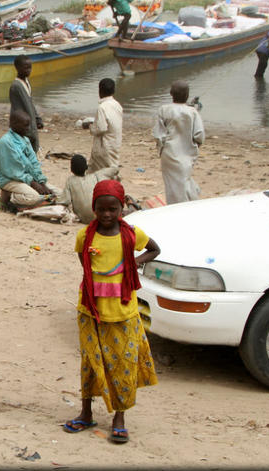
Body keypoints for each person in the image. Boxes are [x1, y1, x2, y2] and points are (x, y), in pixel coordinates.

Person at [63, 179, 160, 443]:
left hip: (123, 313)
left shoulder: (131, 234)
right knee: (90, 364)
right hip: (90, 311)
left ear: (122, 207)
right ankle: (85, 413)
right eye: (101, 209)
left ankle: (119, 418)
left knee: (122, 366)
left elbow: (154, 249)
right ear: (94, 208)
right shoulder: (85, 236)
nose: (107, 214)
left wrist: (132, 262)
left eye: (113, 209)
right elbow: (85, 263)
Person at [0, 110, 61, 211]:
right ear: (14, 124)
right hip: (11, 179)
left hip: (28, 179)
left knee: (60, 194)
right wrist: (34, 184)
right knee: (33, 197)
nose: (28, 129)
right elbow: (15, 172)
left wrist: (41, 182)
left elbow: (34, 163)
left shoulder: (25, 140)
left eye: (28, 125)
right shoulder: (5, 143)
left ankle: (31, 202)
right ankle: (9, 198)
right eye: (25, 125)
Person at [152, 80, 205, 204]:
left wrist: (161, 148)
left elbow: (158, 134)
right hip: (186, 154)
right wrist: (194, 146)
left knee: (172, 185)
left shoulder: (164, 109)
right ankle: (186, 206)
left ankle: (176, 206)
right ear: (187, 95)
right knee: (184, 182)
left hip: (168, 153)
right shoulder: (192, 112)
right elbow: (199, 135)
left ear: (171, 93)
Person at [59, 154, 119, 224]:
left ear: (71, 169)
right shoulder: (97, 176)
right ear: (86, 167)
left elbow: (65, 201)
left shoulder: (70, 181)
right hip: (102, 216)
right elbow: (115, 169)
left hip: (84, 219)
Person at [8, 55, 43, 153]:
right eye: (26, 67)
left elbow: (30, 103)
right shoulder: (16, 87)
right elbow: (18, 110)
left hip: (31, 125)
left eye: (30, 67)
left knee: (33, 153)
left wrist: (37, 119)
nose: (29, 70)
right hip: (23, 128)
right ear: (17, 68)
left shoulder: (26, 82)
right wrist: (27, 127)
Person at [87, 78, 123, 172]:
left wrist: (91, 127)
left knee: (98, 172)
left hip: (104, 146)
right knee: (112, 169)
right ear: (113, 91)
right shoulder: (117, 105)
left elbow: (101, 128)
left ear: (100, 91)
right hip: (115, 143)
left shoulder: (102, 107)